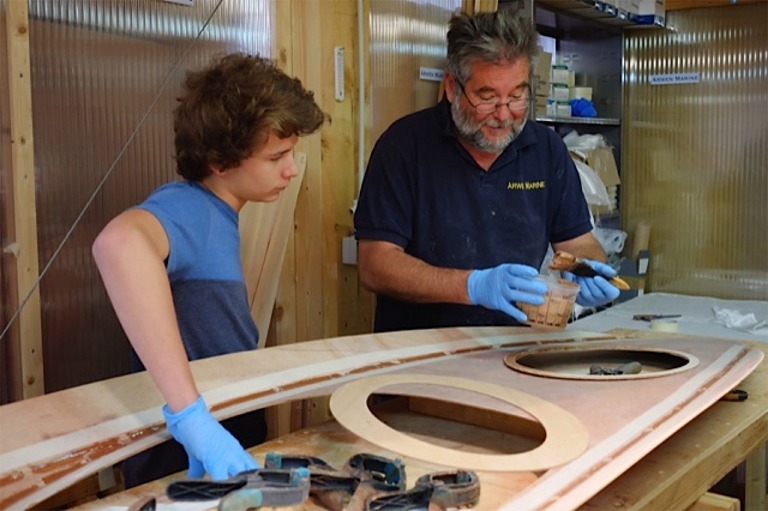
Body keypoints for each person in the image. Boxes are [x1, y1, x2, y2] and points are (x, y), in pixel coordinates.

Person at [92, 52, 326, 487]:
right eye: (276, 157)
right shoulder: (190, 208)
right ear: (220, 162)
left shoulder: (219, 214)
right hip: (182, 456)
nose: (292, 169)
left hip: (222, 439)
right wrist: (191, 419)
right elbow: (117, 244)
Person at [353, 9, 619, 333]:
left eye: (517, 96)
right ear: (452, 87)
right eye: (487, 97)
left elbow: (578, 243)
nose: (503, 115)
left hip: (515, 346)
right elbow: (375, 265)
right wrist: (471, 286)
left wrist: (590, 268)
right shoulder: (403, 147)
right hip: (421, 348)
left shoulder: (547, 150)